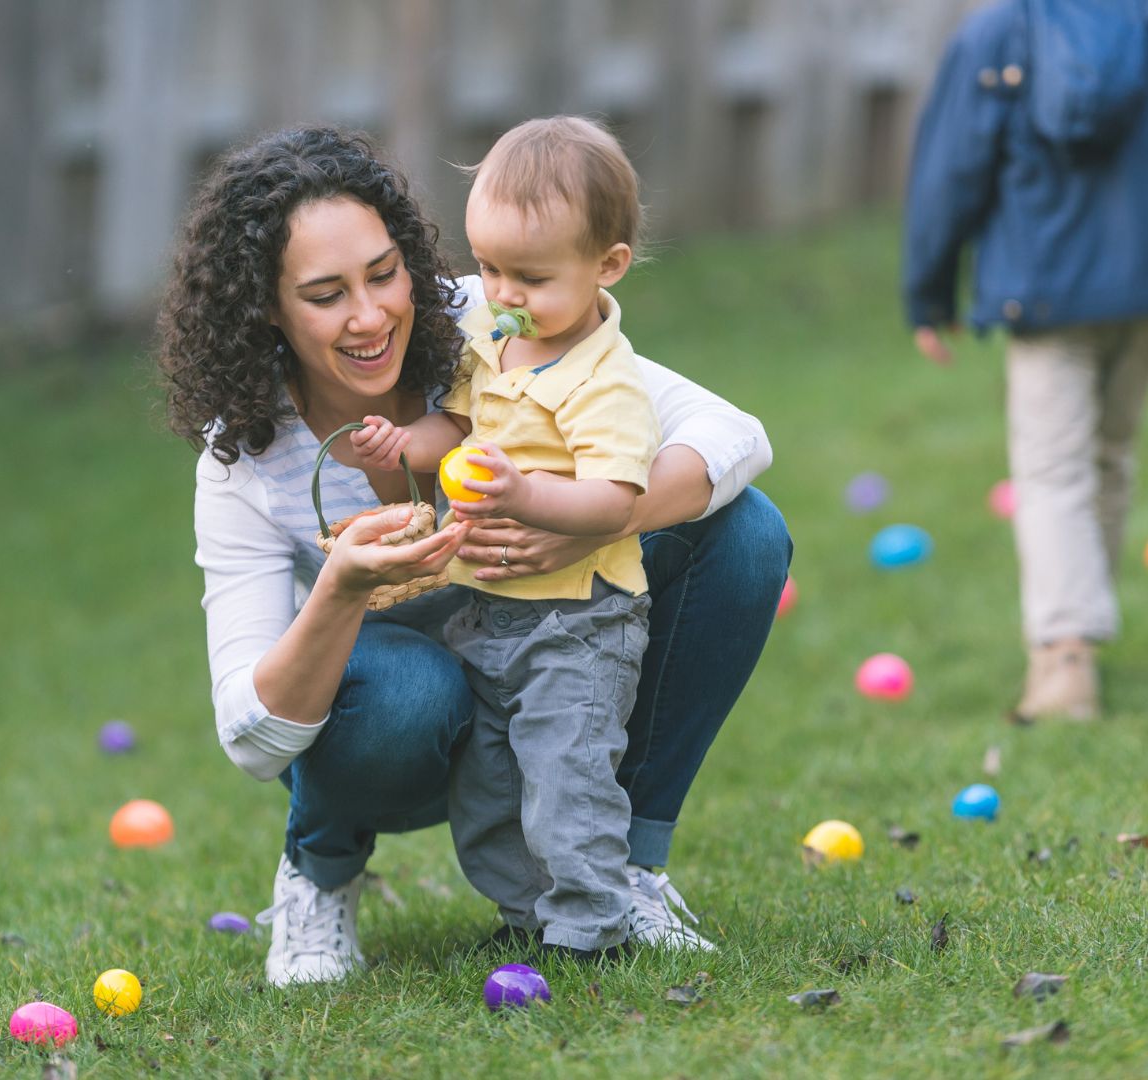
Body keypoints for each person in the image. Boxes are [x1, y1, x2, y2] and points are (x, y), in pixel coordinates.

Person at [157, 125, 787, 986]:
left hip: (548, 658)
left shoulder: (494, 318)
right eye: (325, 294)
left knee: (746, 534)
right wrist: (340, 589)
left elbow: (733, 437)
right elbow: (252, 739)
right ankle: (321, 871)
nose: (372, 314)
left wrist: (587, 524)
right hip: (397, 729)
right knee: (415, 686)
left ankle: (624, 868)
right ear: (266, 305)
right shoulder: (246, 462)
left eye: (384, 273)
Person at [902, 0, 1148, 723]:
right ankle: (1080, 638)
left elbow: (952, 170)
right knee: (1108, 456)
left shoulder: (999, 31)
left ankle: (1065, 655)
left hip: (1046, 296)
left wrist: (929, 291)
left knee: (1052, 470)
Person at [349, 116, 660, 959]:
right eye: (488, 269)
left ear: (607, 267)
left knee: (567, 783)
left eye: (530, 276)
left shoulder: (605, 381)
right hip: (486, 613)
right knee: (487, 786)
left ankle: (593, 928)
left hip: (580, 624)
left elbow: (614, 498)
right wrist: (399, 445)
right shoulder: (490, 339)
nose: (504, 294)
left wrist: (526, 491)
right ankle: (526, 916)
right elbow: (450, 429)